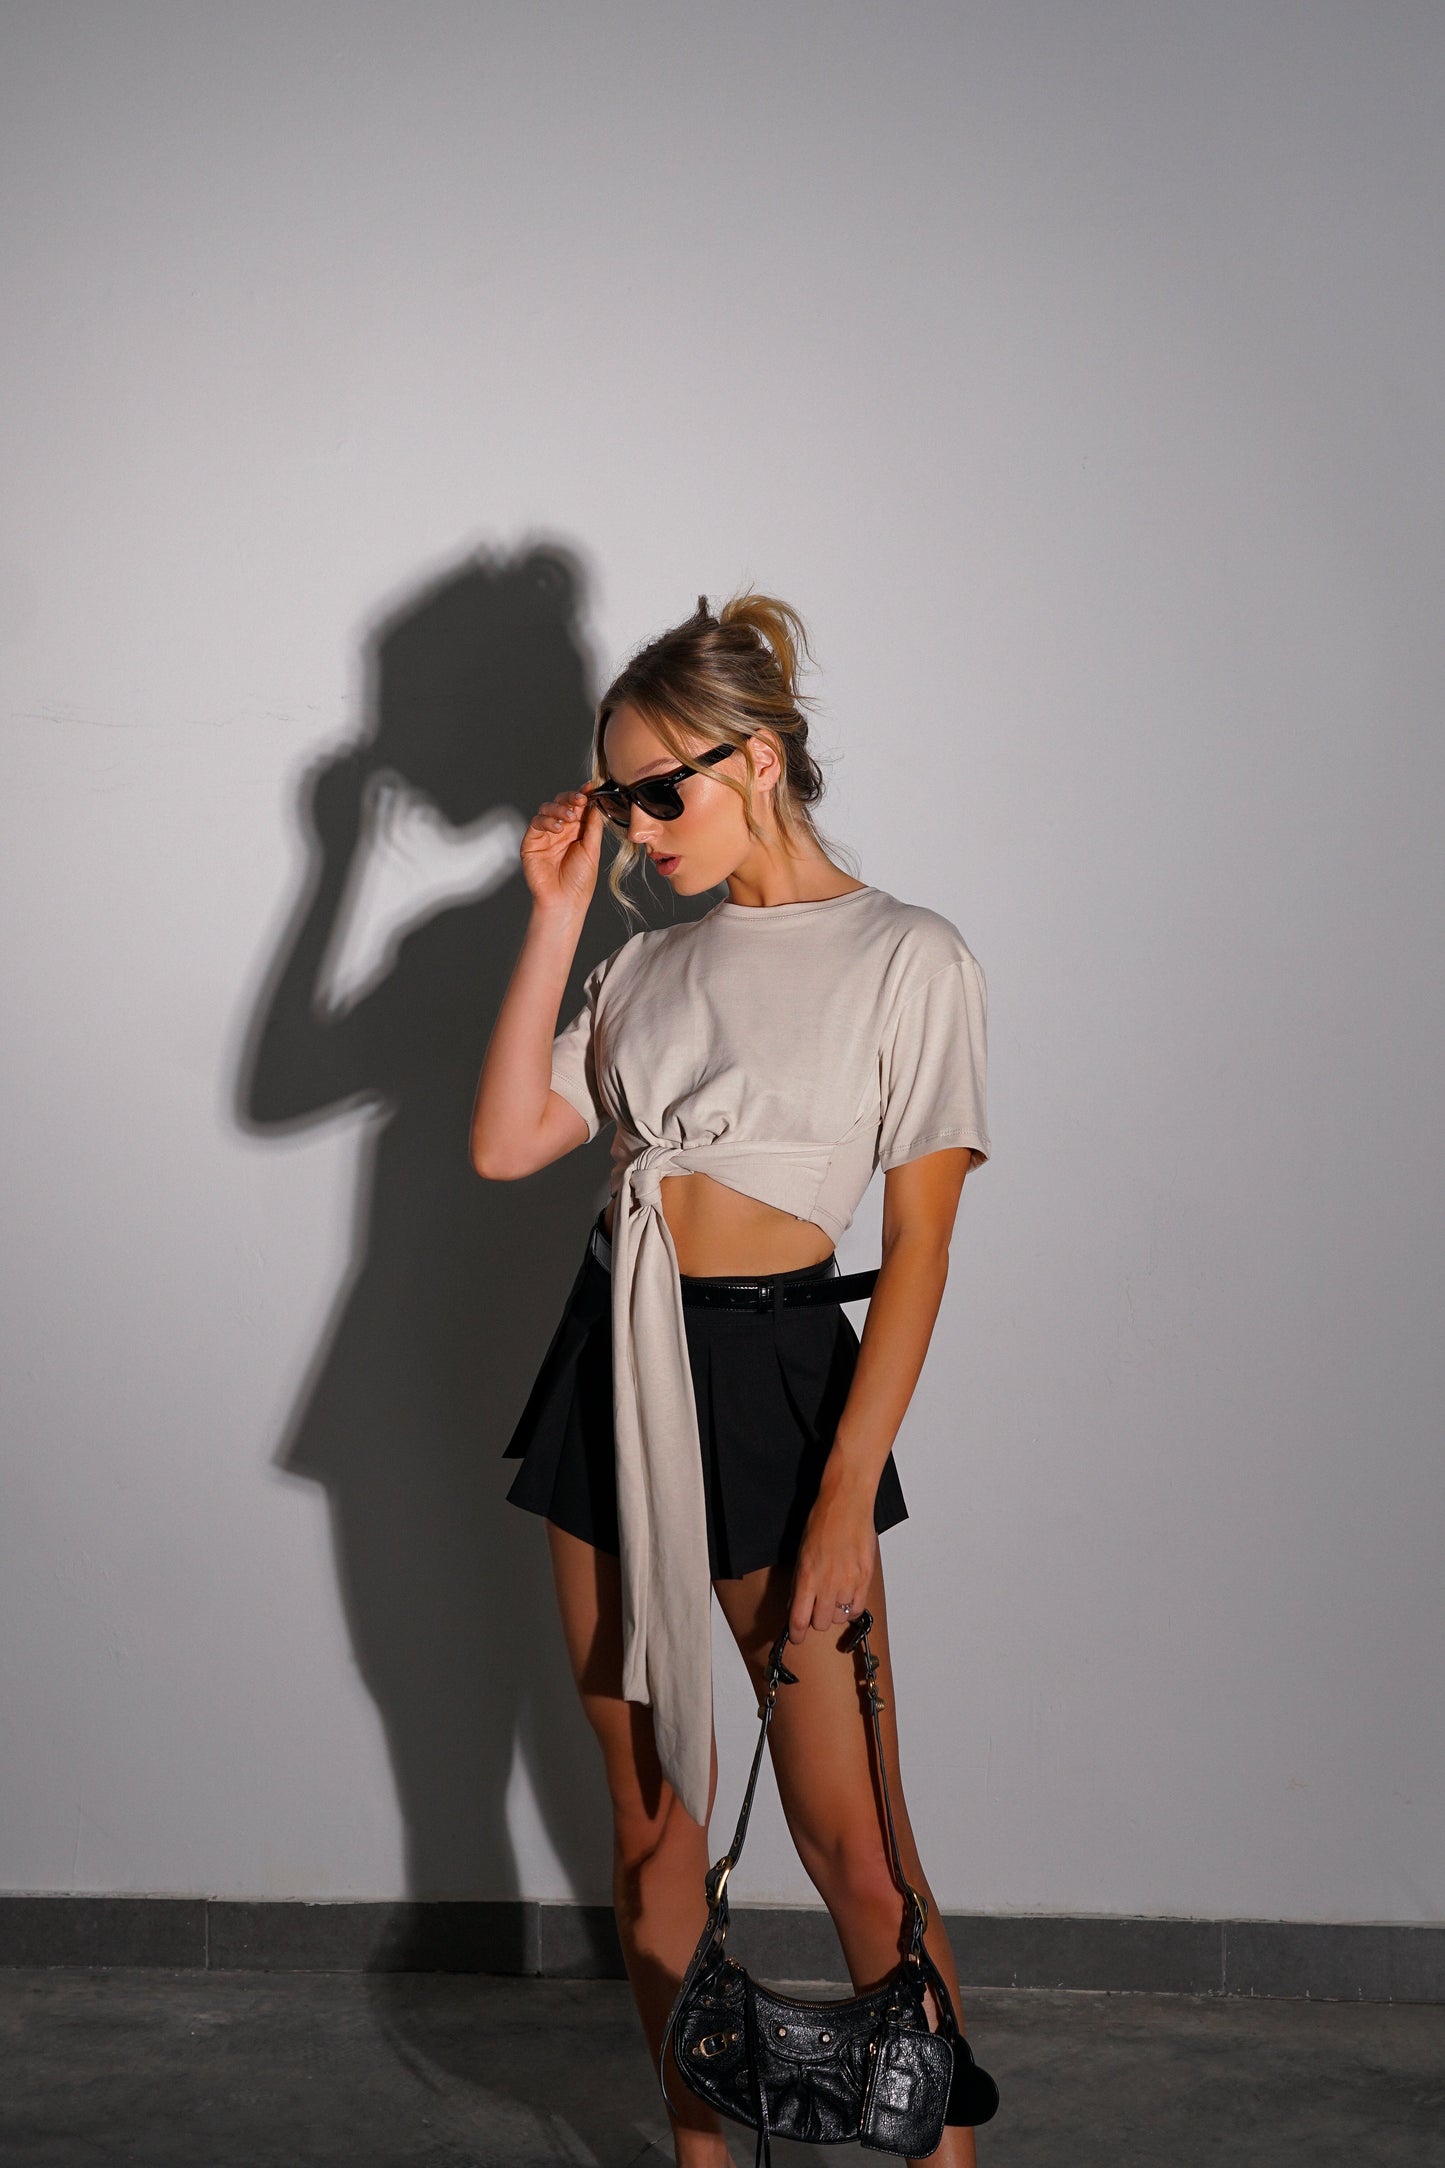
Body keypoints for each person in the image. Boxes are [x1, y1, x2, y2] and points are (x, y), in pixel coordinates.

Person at [470, 590, 990, 2168]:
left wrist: (842, 1504)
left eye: (657, 794)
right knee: (651, 1820)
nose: (637, 831)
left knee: (855, 1847)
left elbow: (917, 1255)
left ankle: (941, 2156)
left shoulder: (907, 956)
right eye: (617, 801)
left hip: (777, 1379)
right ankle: (701, 2158)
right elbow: (506, 1144)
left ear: (755, 759)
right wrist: (556, 912)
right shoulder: (644, 963)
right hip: (609, 1364)